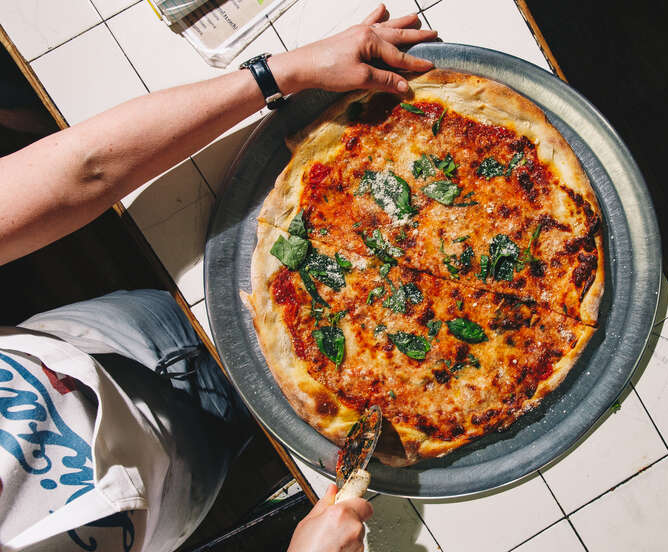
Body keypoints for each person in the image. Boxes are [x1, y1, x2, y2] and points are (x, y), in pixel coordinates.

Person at [0, 4, 437, 551]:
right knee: (260, 440)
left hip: (116, 339)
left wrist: (279, 74)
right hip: (184, 490)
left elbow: (83, 170)